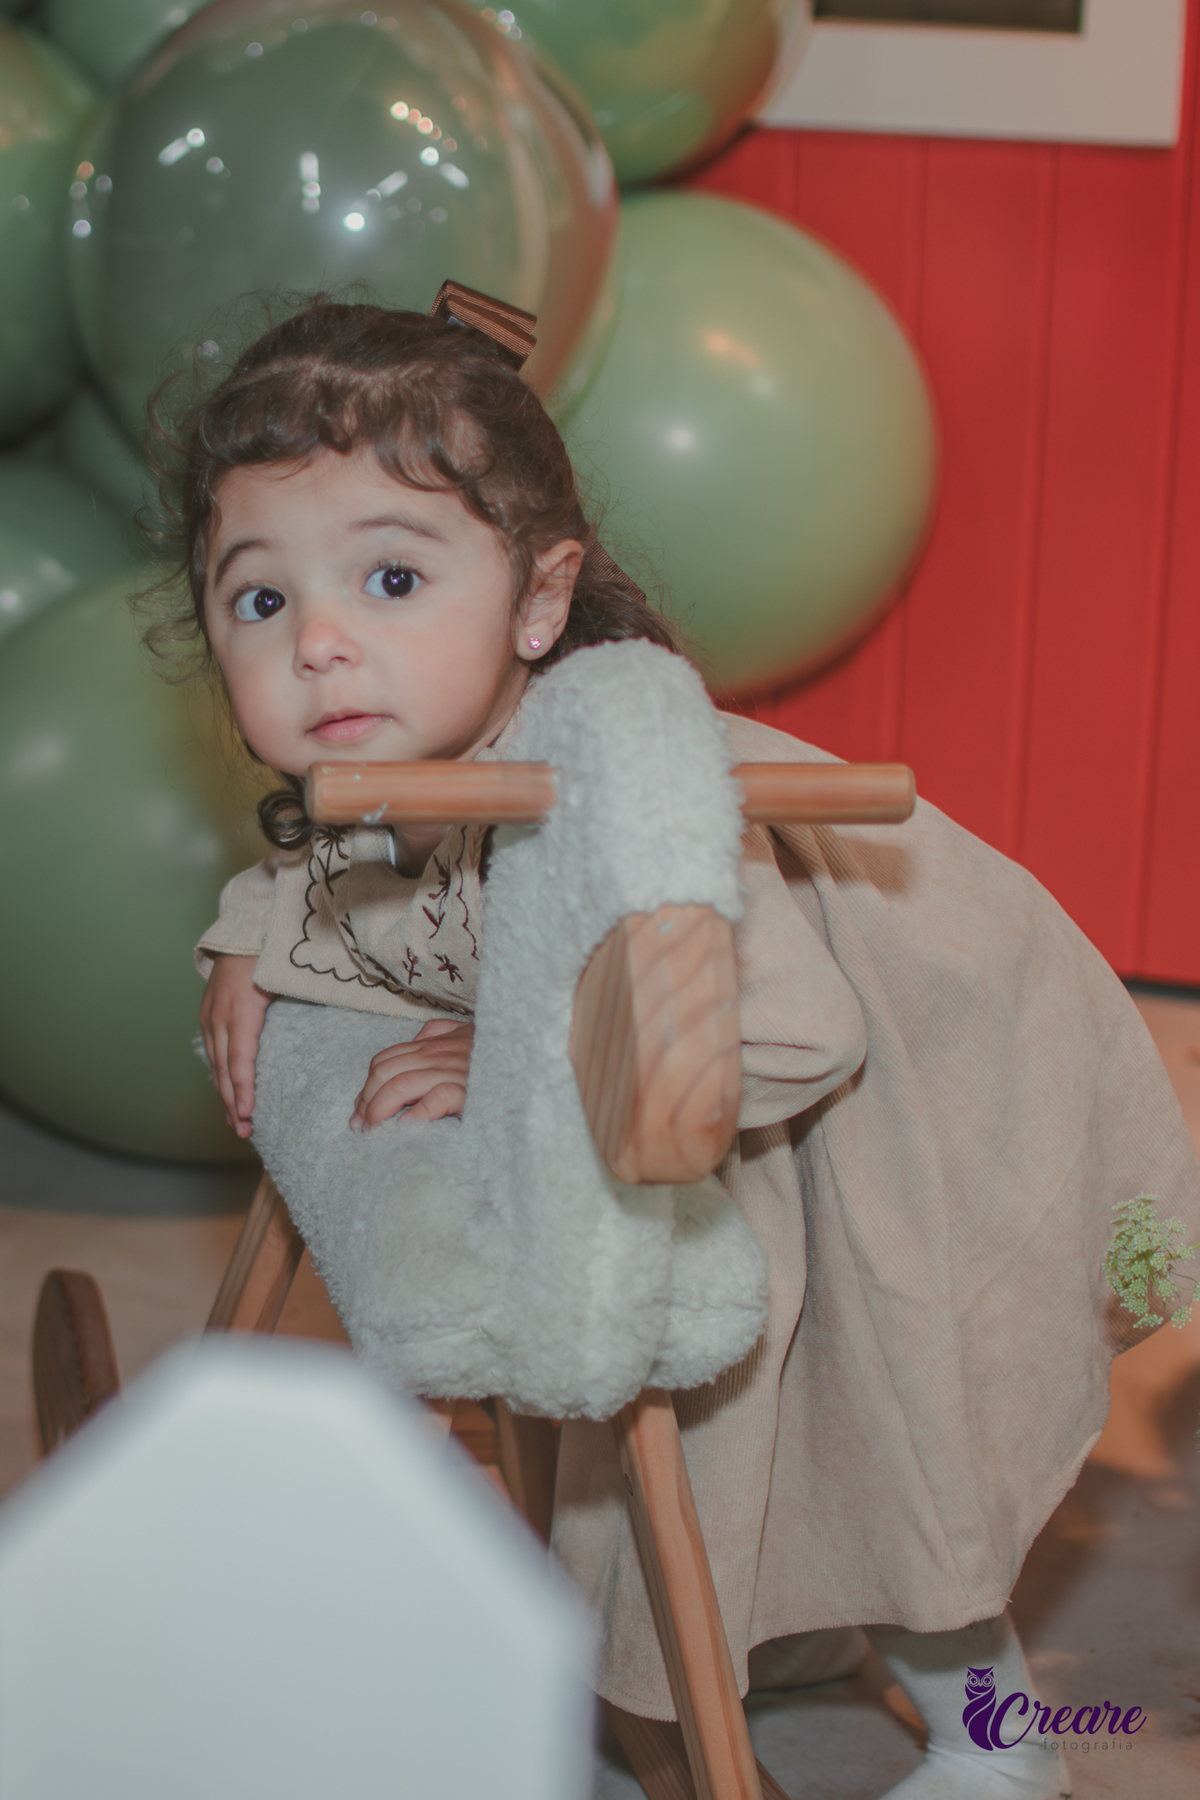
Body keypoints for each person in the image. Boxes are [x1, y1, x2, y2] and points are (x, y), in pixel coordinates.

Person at [162, 294, 1198, 1800]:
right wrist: (257, 927)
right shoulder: (431, 748)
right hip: (720, 1100)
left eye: (390, 576)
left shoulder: (621, 783)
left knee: (894, 1427)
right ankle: (730, 1653)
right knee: (751, 1443)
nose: (322, 643)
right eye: (260, 601)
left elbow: (795, 1026)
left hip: (897, 1090)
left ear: (537, 600)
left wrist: (524, 1051)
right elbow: (376, 885)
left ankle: (1003, 1741)